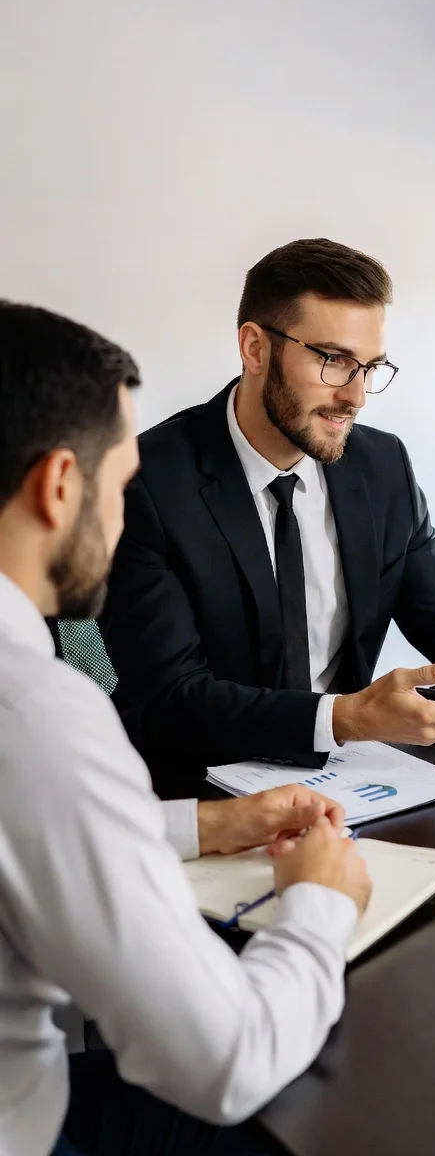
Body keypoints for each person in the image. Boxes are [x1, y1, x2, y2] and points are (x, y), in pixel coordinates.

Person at [0, 300, 371, 1156]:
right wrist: (320, 900)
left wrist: (202, 825)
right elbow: (228, 1061)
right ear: (59, 487)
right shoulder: (37, 713)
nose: (124, 517)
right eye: (120, 487)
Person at [100, 238, 435, 788]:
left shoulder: (381, 466)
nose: (356, 396)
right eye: (334, 361)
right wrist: (348, 718)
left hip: (348, 780)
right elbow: (168, 698)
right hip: (197, 787)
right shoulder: (146, 483)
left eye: (370, 367)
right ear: (255, 348)